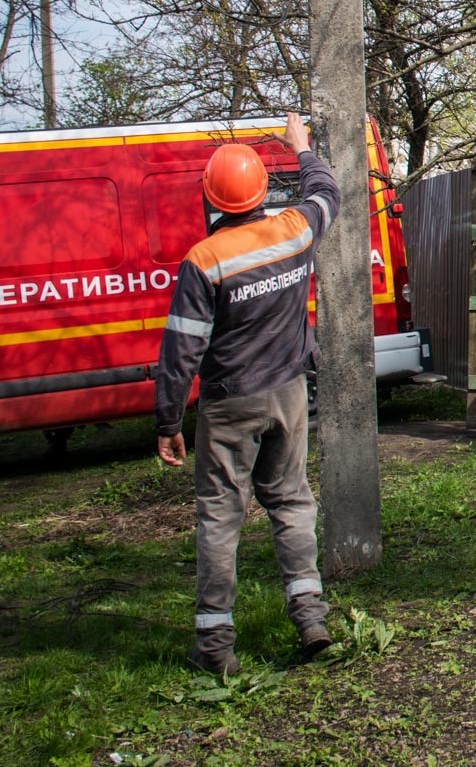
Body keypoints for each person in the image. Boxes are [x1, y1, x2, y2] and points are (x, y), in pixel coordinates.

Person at [155, 112, 336, 675]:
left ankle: (215, 647)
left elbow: (181, 353)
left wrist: (166, 423)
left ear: (210, 198)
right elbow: (326, 192)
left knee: (220, 516)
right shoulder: (293, 231)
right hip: (286, 393)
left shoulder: (203, 261)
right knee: (291, 502)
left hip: (229, 402)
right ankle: (310, 618)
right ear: (262, 191)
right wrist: (301, 147)